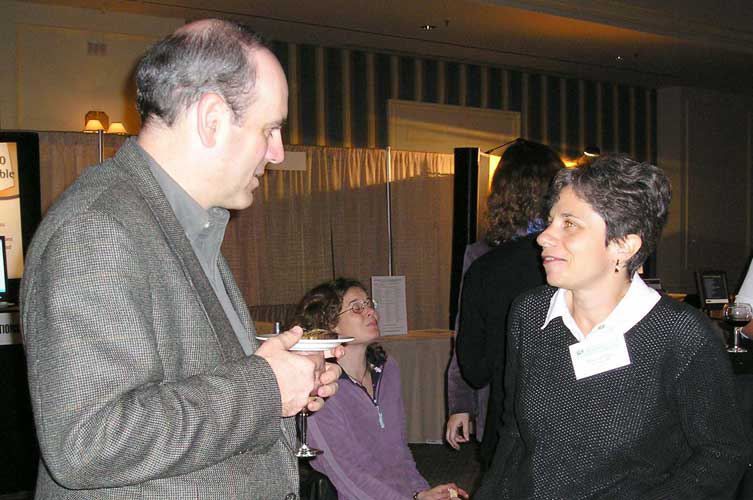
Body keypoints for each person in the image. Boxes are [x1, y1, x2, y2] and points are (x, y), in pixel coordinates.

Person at [20, 19, 341, 499]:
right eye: (270, 128)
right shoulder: (97, 228)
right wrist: (264, 387)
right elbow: (87, 443)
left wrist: (285, 376)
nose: (277, 153)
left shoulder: (183, 222)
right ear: (211, 119)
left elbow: (189, 376)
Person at [475, 154, 751, 499]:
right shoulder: (531, 314)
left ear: (623, 245)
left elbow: (722, 454)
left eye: (569, 224)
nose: (543, 237)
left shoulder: (680, 335)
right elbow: (514, 433)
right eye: (550, 221)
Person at [446, 139, 564, 471]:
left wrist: (461, 404)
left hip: (500, 404)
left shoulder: (483, 257)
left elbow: (469, 348)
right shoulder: (575, 252)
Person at [294, 278, 469, 500]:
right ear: (329, 324)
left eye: (369, 304)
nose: (371, 312)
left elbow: (400, 452)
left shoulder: (387, 368)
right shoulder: (321, 388)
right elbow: (345, 475)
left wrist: (422, 491)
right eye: (357, 308)